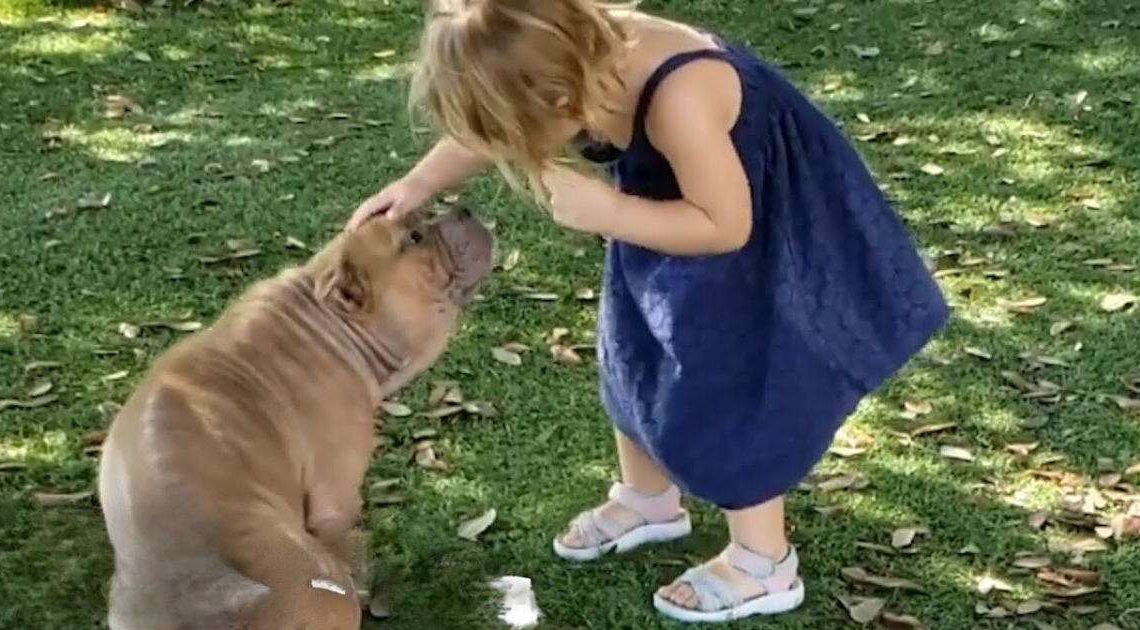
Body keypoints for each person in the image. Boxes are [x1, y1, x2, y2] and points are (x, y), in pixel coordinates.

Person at [346, 0, 948, 623]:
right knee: (630, 348)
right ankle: (648, 500)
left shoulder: (678, 94)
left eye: (520, 137)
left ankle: (763, 561)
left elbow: (726, 225)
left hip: (753, 232)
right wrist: (416, 185)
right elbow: (493, 123)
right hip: (669, 212)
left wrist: (609, 213)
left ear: (561, 100)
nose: (510, 151)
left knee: (729, 380)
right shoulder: (568, 60)